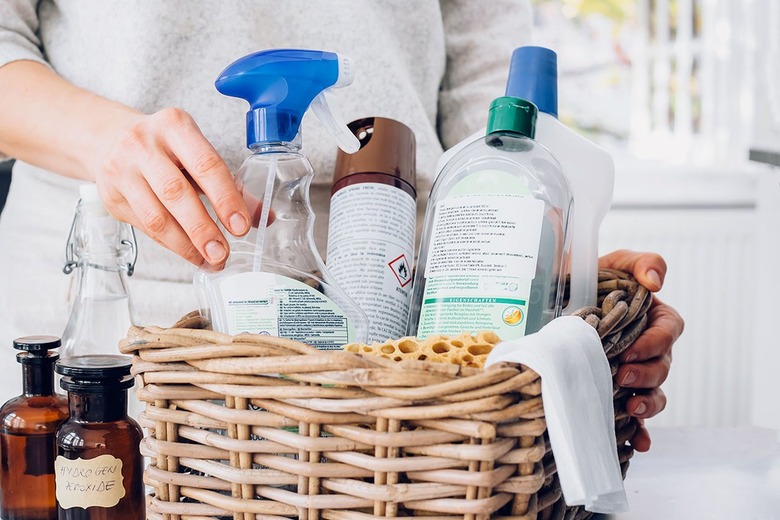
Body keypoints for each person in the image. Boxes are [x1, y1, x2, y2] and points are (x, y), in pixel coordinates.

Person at [0, 1, 682, 451]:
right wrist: (103, 142)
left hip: (407, 358)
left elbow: (487, 72)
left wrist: (544, 276)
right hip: (124, 340)